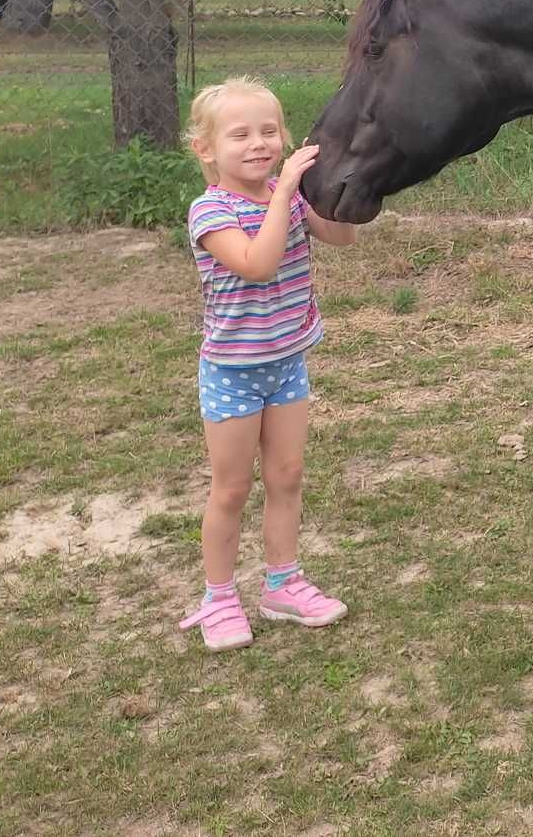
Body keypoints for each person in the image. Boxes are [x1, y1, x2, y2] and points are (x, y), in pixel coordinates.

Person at [176, 77, 357, 650]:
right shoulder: (210, 211)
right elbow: (257, 263)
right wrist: (283, 197)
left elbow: (342, 237)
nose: (259, 143)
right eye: (240, 135)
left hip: (287, 363)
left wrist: (344, 186)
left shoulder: (290, 194)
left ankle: (282, 583)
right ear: (205, 150)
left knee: (286, 477)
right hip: (232, 372)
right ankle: (220, 599)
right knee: (231, 489)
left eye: (269, 131)